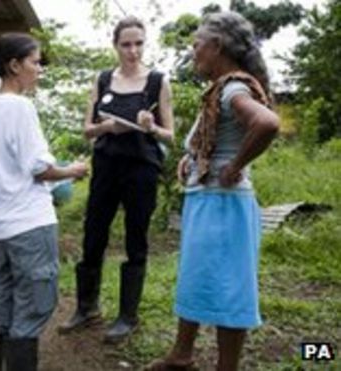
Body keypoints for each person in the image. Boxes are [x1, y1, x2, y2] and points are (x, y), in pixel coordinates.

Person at [146, 11, 279, 371]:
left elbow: (266, 124)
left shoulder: (233, 87)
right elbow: (216, 140)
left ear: (217, 46)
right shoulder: (222, 88)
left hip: (224, 206)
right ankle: (182, 353)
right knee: (197, 277)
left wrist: (234, 166)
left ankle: (226, 366)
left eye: (197, 46)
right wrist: (193, 160)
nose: (194, 53)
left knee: (229, 287)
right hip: (209, 202)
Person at [59, 16, 175, 343]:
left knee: (135, 238)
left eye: (138, 43)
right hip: (106, 165)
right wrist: (109, 127)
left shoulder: (157, 82)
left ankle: (128, 316)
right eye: (126, 44)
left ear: (144, 44)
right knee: (93, 232)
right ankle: (86, 307)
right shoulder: (103, 79)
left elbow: (170, 136)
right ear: (115, 45)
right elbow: (86, 129)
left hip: (141, 168)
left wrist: (151, 127)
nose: (133, 51)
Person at [0, 33, 88, 371]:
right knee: (33, 307)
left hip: (1, 225)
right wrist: (74, 170)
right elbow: (39, 169)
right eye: (35, 63)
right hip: (30, 224)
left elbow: (12, 167)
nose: (40, 70)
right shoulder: (21, 107)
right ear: (14, 65)